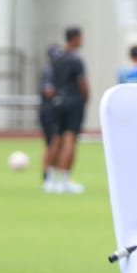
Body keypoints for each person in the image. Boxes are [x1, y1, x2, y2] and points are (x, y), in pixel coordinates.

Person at [42, 27, 89, 193]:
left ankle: (49, 180)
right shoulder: (75, 60)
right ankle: (64, 180)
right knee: (70, 140)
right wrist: (85, 99)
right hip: (73, 102)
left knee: (55, 141)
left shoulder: (56, 58)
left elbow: (50, 83)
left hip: (57, 103)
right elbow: (82, 83)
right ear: (75, 38)